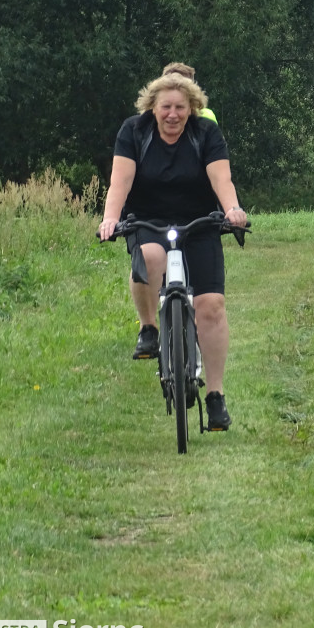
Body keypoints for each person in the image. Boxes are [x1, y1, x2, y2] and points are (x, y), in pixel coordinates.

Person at [98, 72, 248, 431]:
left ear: (192, 108)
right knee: (151, 258)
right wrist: (110, 219)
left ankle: (215, 396)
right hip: (147, 221)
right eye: (165, 107)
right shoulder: (134, 131)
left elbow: (220, 178)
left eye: (181, 107)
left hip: (199, 223)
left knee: (211, 307)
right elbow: (121, 181)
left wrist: (232, 210)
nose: (173, 115)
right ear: (153, 107)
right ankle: (149, 327)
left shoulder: (205, 134)